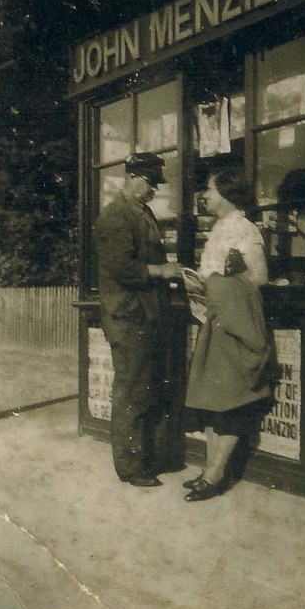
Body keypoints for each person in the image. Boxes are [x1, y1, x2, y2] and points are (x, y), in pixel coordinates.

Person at [183, 168, 273, 502]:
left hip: (233, 323)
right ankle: (208, 470)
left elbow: (259, 277)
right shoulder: (220, 228)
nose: (204, 195)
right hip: (214, 319)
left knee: (231, 399)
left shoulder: (243, 229)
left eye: (208, 189)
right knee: (210, 399)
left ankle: (215, 474)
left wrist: (221, 288)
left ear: (226, 192)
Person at [94, 153, 182, 487]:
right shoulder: (115, 217)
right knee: (132, 392)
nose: (154, 191)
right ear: (132, 178)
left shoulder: (141, 213)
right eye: (150, 183)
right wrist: (163, 270)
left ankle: (150, 459)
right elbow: (123, 269)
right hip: (129, 318)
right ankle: (131, 468)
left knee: (150, 390)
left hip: (147, 316)